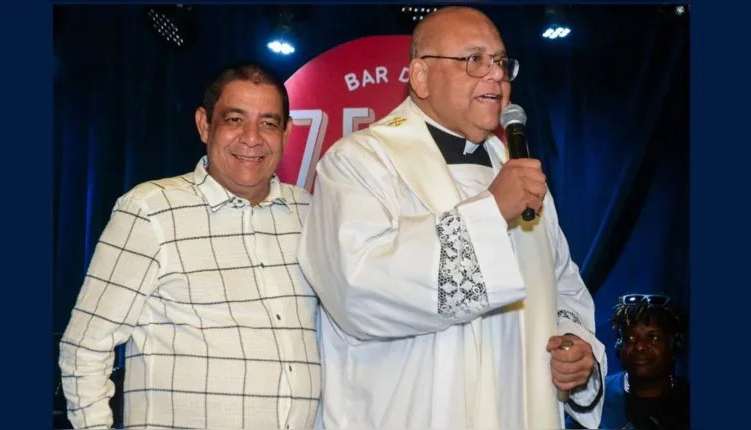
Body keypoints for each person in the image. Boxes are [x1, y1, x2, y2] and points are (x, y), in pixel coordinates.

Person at [297, 6, 606, 429]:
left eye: (501, 62)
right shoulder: (360, 162)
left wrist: (576, 349)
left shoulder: (520, 173)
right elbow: (356, 290)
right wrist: (491, 212)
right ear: (420, 77)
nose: (495, 75)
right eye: (474, 59)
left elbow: (565, 290)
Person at [59, 61, 320, 429]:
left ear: (287, 132)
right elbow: (84, 348)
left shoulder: (311, 214)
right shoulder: (151, 211)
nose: (251, 138)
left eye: (268, 123)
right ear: (204, 124)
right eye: (234, 120)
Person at [592, 293, 689, 429]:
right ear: (619, 346)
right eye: (630, 338)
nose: (639, 346)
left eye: (653, 337)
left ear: (676, 343)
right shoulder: (593, 399)